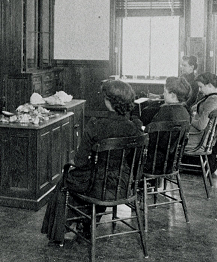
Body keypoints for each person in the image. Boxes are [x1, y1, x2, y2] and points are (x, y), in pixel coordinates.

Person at [41, 79, 144, 243]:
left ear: (108, 102)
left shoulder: (95, 125)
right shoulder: (134, 128)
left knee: (66, 180)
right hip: (123, 186)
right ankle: (87, 224)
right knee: (94, 177)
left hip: (97, 186)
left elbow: (80, 161)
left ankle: (58, 234)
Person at [184, 72, 217, 153]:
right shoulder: (213, 97)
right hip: (199, 136)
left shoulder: (212, 101)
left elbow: (200, 125)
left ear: (209, 85)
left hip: (199, 140)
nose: (199, 90)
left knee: (167, 138)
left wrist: (189, 119)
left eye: (201, 87)